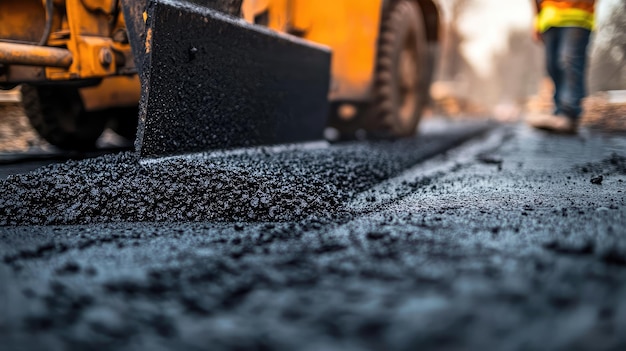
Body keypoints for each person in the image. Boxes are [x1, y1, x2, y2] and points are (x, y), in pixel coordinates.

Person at [527, 0, 595, 133]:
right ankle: (558, 112)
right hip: (549, 18)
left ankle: (569, 113)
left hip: (577, 14)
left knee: (569, 61)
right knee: (552, 66)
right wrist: (536, 19)